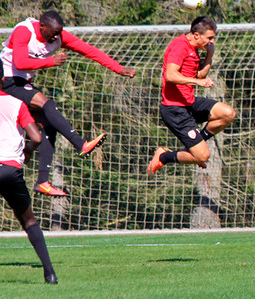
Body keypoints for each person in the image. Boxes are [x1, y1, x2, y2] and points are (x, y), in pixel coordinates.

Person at [1, 11, 136, 196]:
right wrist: (51, 61)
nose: (56, 37)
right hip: (6, 81)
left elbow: (90, 51)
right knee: (49, 105)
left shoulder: (59, 37)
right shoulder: (24, 31)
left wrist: (119, 68)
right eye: (53, 33)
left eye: (59, 33)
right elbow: (20, 61)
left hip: (22, 83)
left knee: (48, 125)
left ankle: (42, 181)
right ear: (42, 26)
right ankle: (81, 144)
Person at [148, 17, 236, 174]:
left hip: (188, 103)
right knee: (203, 156)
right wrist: (197, 82)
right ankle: (163, 156)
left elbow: (200, 75)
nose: (212, 41)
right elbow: (170, 75)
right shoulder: (179, 46)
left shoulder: (194, 48)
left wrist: (210, 55)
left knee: (227, 113)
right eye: (209, 38)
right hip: (175, 109)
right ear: (196, 35)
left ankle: (195, 146)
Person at [0, 91, 55, 283]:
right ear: (2, 79)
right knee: (29, 221)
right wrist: (27, 151)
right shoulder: (16, 104)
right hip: (10, 169)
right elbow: (37, 137)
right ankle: (50, 274)